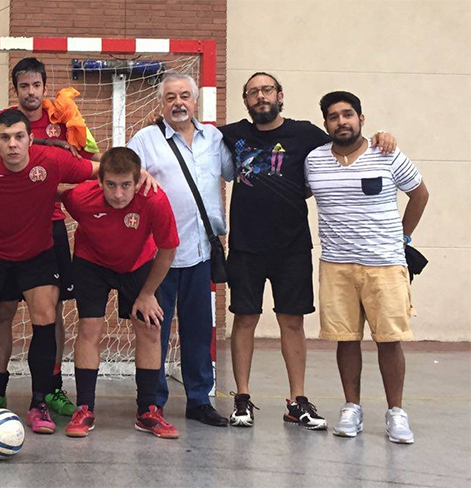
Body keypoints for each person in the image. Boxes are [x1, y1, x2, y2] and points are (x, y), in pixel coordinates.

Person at [219, 72, 396, 429]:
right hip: (246, 247)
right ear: (246, 101)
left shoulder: (305, 134)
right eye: (253, 92)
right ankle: (242, 399)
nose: (260, 96)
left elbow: (345, 142)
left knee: (292, 321)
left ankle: (297, 401)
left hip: (292, 247)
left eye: (267, 90)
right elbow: (192, 132)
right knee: (245, 319)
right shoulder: (232, 134)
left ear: (280, 95)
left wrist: (381, 137)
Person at [0, 109, 141, 435]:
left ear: (31, 139)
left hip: (37, 253)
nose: (13, 144)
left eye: (19, 137)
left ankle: (39, 402)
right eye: (5, 138)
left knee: (45, 316)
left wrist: (143, 174)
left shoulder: (52, 160)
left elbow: (100, 170)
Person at [0, 57, 101, 417]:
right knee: (1, 310)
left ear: (45, 87)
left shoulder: (66, 118)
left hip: (49, 227)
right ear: (15, 89)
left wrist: (51, 191)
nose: (31, 92)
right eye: (24, 86)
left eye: (36, 85)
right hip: (2, 234)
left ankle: (50, 388)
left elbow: (90, 162)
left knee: (50, 311)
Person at [305, 91, 428, 444]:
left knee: (389, 340)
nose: (341, 122)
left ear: (361, 118)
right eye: (333, 117)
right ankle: (352, 407)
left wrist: (402, 238)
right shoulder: (314, 160)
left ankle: (396, 413)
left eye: (348, 114)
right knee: (345, 339)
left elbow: (420, 194)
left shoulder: (386, 153)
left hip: (385, 265)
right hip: (336, 265)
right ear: (326, 123)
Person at [127, 72, 234, 427]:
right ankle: (152, 402)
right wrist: (140, 174)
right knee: (154, 330)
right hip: (158, 256)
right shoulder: (146, 139)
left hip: (200, 253)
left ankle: (199, 401)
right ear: (161, 103)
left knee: (199, 331)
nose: (178, 103)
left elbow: (236, 172)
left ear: (196, 101)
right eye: (171, 97)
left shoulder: (214, 139)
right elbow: (123, 172)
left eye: (185, 96)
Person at [59, 147, 180, 439]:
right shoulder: (81, 197)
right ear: (99, 181)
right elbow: (52, 189)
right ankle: (84, 408)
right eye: (111, 184)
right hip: (91, 263)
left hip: (137, 263)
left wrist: (148, 294)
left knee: (150, 327)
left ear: (138, 182)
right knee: (89, 328)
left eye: (126, 185)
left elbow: (168, 250)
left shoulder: (155, 199)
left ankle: (148, 411)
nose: (118, 194)